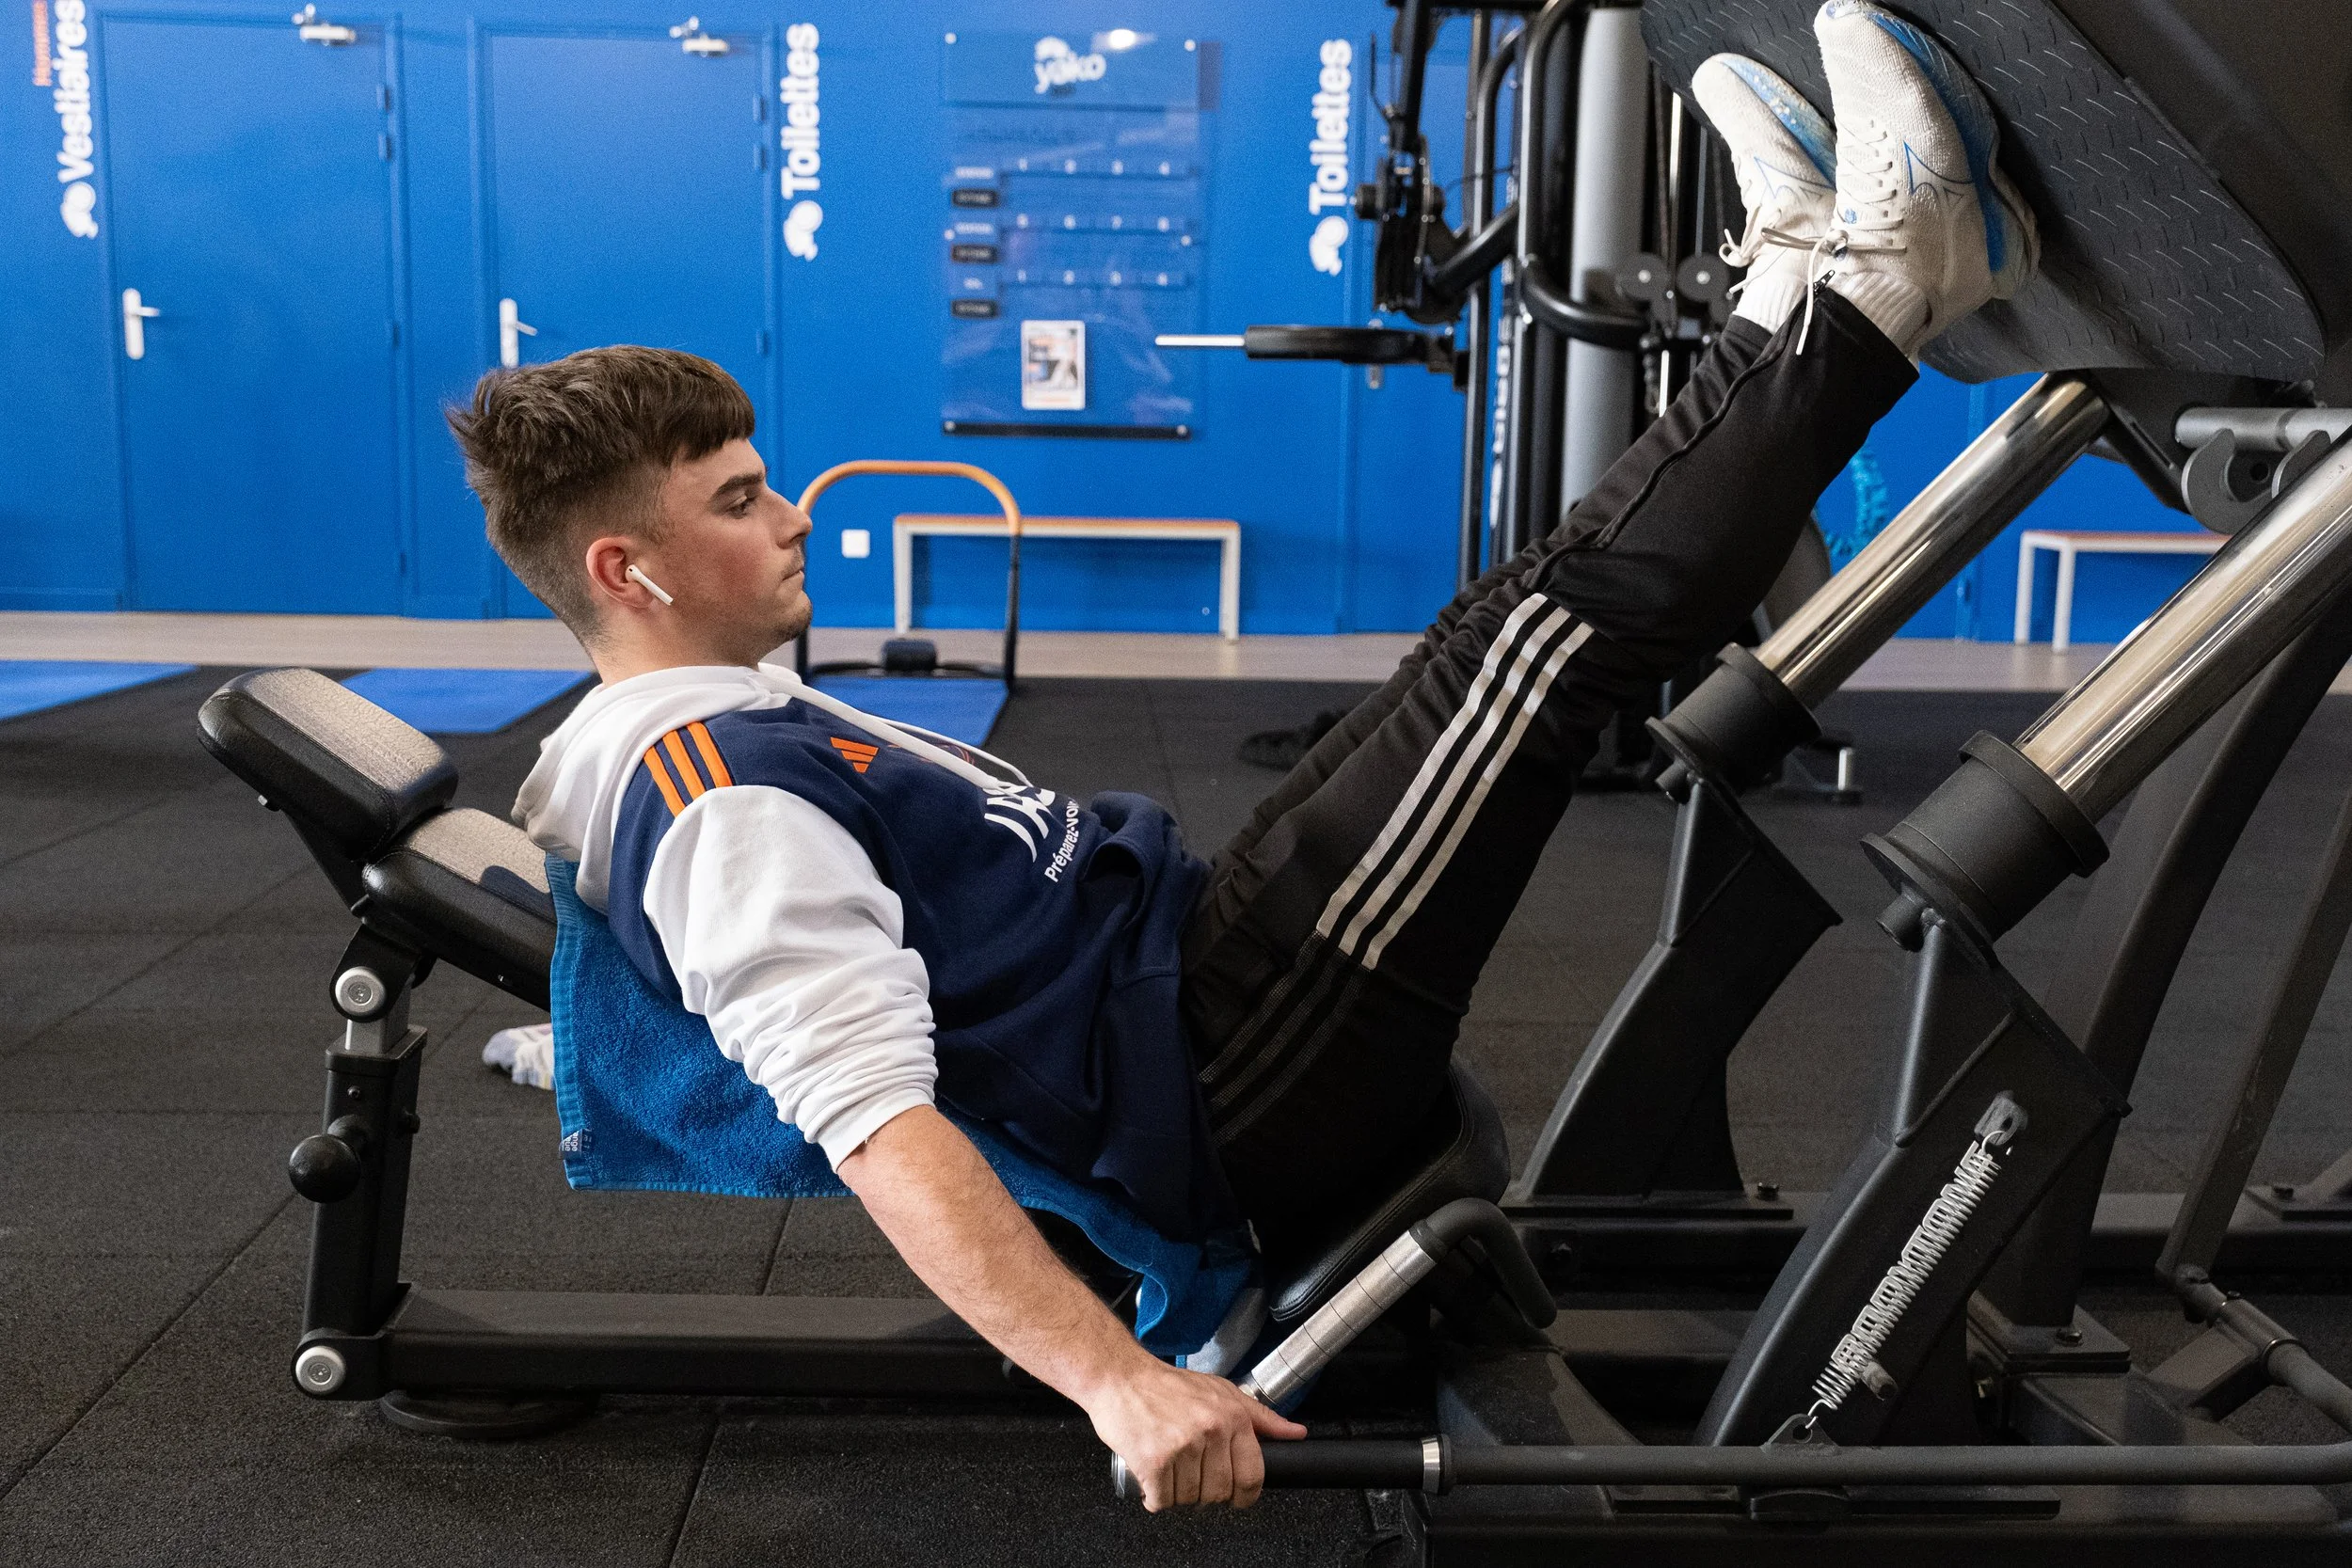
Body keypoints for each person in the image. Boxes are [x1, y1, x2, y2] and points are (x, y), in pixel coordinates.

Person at [453, 1, 2035, 1514]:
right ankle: (1877, 294)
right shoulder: (708, 795)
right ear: (623, 570)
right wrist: (1116, 1381)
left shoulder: (708, 729)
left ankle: (1793, 309)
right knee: (1548, 655)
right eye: (735, 501)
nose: (792, 511)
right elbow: (875, 1123)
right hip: (1231, 1074)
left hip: (1200, 962)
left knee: (1491, 634)